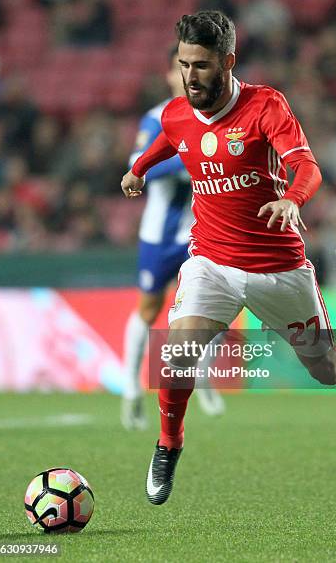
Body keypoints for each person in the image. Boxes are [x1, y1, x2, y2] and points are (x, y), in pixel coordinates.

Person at [121, 11, 336, 504]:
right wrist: (139, 169)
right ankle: (168, 444)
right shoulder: (179, 112)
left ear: (228, 60)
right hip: (211, 263)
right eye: (183, 64)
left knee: (323, 367)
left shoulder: (266, 106)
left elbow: (306, 166)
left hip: (277, 269)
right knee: (178, 353)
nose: (190, 76)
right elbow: (170, 138)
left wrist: (293, 199)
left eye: (200, 65)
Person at [121, 47, 224, 430]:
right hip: (159, 235)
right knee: (149, 309)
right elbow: (140, 166)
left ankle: (205, 376)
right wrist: (191, 157)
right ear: (169, 75)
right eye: (180, 69)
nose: (188, 77)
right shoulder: (156, 119)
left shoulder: (219, 115)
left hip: (205, 232)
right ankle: (130, 386)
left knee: (216, 310)